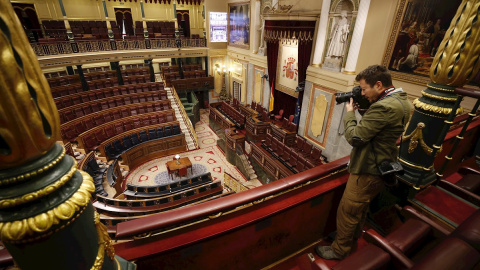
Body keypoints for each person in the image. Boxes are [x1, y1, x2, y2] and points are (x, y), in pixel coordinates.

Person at [315, 65, 413, 260]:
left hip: (368, 169)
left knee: (348, 210)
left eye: (364, 88)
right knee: (360, 209)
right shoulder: (402, 101)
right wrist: (365, 108)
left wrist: (350, 112)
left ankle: (339, 250)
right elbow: (378, 129)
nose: (362, 92)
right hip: (381, 164)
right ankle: (350, 237)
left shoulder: (384, 106)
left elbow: (356, 138)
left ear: (378, 84)